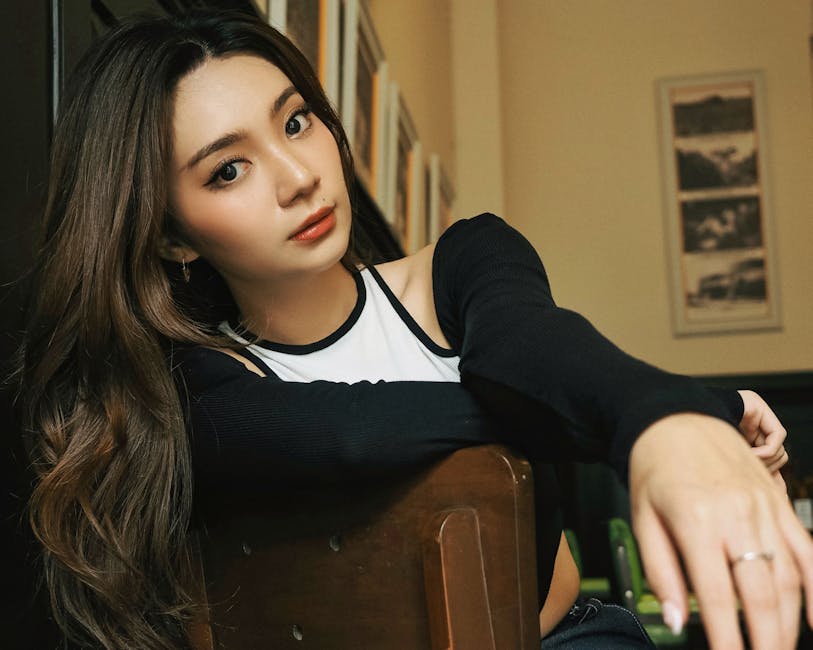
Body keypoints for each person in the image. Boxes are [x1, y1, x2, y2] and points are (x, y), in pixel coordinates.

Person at [15, 10, 809, 650]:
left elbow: (532, 347)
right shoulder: (196, 386)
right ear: (172, 236)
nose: (299, 178)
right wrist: (665, 412)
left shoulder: (464, 259)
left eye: (296, 123)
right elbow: (347, 433)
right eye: (228, 168)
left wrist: (658, 421)